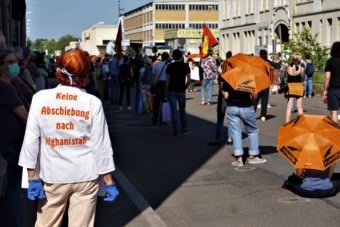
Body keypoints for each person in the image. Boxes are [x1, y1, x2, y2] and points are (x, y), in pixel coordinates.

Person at [18, 49, 119, 227]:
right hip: (86, 176)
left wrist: (32, 177)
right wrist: (109, 182)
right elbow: (100, 145)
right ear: (86, 74)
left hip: (53, 176)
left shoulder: (40, 99)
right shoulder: (92, 102)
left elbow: (31, 141)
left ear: (58, 71)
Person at [0, 48, 29, 227]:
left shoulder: (10, 85)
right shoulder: (5, 89)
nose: (14, 66)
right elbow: (24, 115)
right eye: (9, 63)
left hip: (9, 141)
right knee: (16, 187)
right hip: (13, 142)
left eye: (15, 62)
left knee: (13, 184)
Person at [222, 77, 267, 167]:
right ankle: (253, 156)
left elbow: (225, 95)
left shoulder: (230, 77)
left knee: (236, 132)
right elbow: (254, 95)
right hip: (246, 106)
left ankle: (239, 159)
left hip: (232, 107)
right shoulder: (250, 78)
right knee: (252, 131)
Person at [209, 51, 232, 145]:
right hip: (232, 98)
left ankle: (218, 138)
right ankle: (230, 138)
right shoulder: (234, 74)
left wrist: (224, 94)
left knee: (220, 118)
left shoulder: (222, 75)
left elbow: (221, 86)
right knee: (231, 119)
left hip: (223, 98)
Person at [165, 49, 191, 136]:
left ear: (173, 57)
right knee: (182, 111)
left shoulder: (170, 66)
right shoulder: (185, 66)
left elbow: (167, 81)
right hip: (181, 91)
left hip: (171, 90)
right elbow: (189, 79)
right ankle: (185, 129)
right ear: (181, 56)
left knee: (174, 111)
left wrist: (166, 91)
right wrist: (185, 87)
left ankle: (176, 131)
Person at [285, 53, 305, 123]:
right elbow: (293, 75)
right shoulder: (297, 66)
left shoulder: (290, 66)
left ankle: (288, 122)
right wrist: (299, 70)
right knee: (296, 105)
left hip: (293, 86)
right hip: (295, 86)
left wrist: (300, 70)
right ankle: (299, 122)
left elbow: (301, 77)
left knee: (292, 105)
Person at [151, 52, 170, 125]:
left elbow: (153, 76)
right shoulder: (169, 65)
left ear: (161, 57)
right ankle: (162, 119)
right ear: (168, 58)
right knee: (164, 102)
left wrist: (152, 85)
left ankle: (154, 120)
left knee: (156, 103)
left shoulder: (156, 64)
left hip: (157, 84)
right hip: (165, 84)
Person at [253, 49, 273, 122]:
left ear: (260, 54)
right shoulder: (268, 62)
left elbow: (253, 73)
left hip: (258, 83)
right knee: (264, 100)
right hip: (266, 83)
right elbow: (271, 73)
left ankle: (253, 114)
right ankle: (263, 115)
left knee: (255, 100)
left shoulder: (256, 62)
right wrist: (271, 84)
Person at [323, 41, 340, 123]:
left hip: (333, 90)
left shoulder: (330, 61)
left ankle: (336, 133)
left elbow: (327, 77)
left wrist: (325, 90)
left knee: (334, 112)